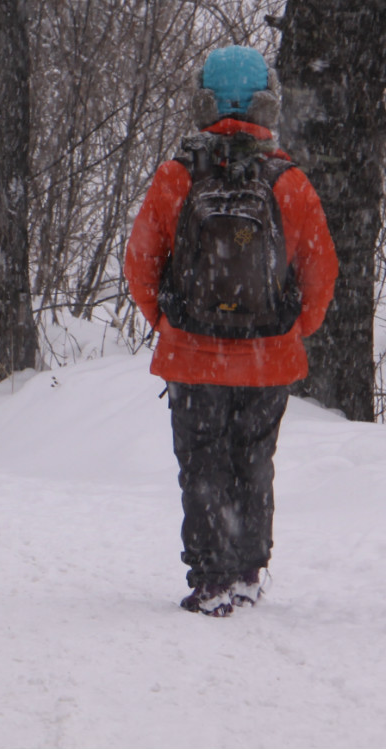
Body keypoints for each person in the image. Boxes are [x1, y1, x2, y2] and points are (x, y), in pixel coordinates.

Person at [124, 45, 337, 617]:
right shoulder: (288, 181)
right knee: (253, 460)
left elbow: (139, 265)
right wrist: (289, 332)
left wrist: (174, 325)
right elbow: (321, 273)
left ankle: (211, 578)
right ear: (266, 102)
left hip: (193, 357)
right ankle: (247, 569)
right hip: (268, 358)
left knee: (202, 464)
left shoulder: (176, 176)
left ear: (204, 101)